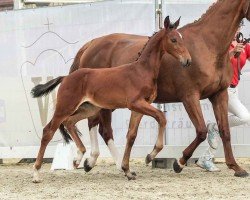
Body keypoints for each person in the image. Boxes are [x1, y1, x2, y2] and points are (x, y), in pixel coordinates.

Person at [196, 20, 250, 172]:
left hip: (234, 90)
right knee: (244, 117)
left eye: (240, 26)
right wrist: (232, 53)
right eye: (235, 25)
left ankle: (205, 159)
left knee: (226, 127)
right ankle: (214, 126)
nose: (237, 28)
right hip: (223, 90)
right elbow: (213, 64)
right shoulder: (222, 46)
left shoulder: (244, 46)